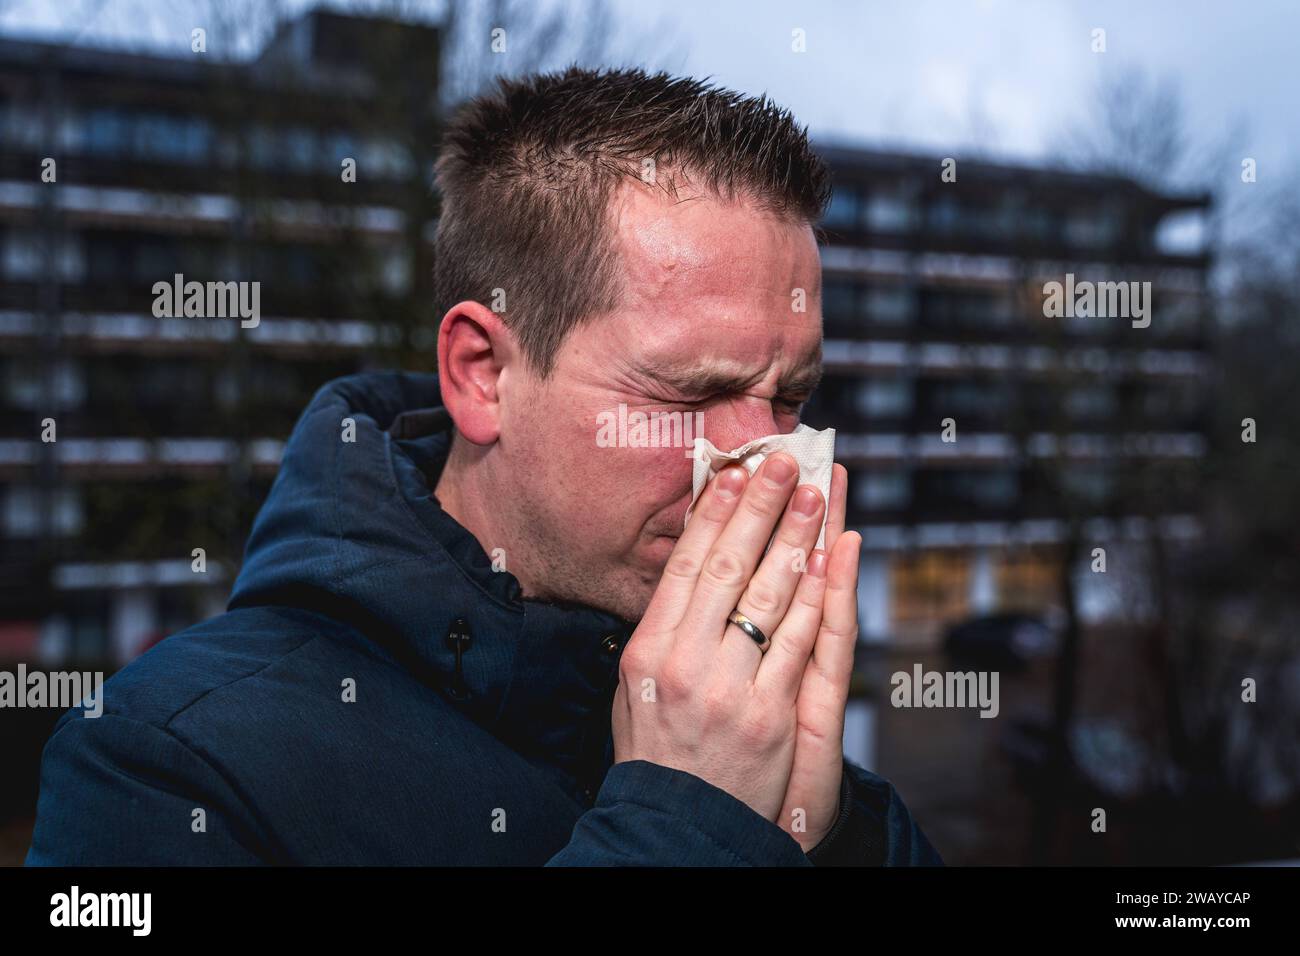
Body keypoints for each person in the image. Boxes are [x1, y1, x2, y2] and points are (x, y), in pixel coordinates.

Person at [27, 68, 941, 866]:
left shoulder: (746, 728)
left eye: (790, 399)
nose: (763, 467)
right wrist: (692, 827)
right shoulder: (167, 767)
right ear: (483, 375)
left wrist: (834, 843)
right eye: (689, 393)